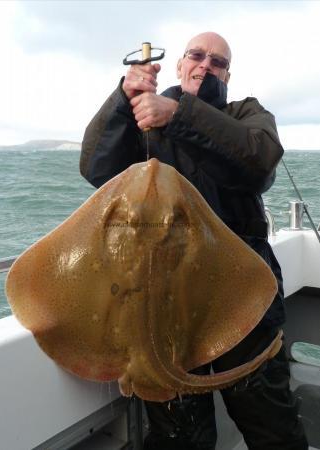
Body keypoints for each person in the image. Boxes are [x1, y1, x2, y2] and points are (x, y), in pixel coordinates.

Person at [80, 32, 308, 450]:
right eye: (197, 56)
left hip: (245, 310)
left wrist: (178, 114)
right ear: (180, 63)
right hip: (168, 313)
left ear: (228, 74)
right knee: (180, 441)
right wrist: (122, 99)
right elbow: (96, 168)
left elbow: (259, 160)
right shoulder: (142, 116)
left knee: (274, 431)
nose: (206, 65)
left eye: (218, 62)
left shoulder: (245, 114)